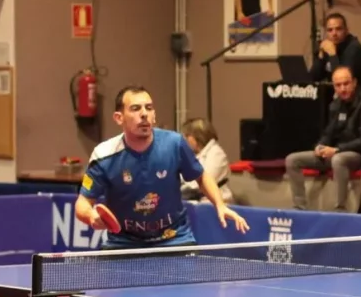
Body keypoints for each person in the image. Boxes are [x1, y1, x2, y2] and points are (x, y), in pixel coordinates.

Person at [76, 85, 249, 248]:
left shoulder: (174, 144)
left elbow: (201, 176)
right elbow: (83, 203)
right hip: (124, 242)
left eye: (149, 108)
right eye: (135, 109)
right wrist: (91, 216)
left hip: (173, 237)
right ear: (119, 118)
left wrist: (220, 204)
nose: (144, 114)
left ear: (154, 115)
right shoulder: (104, 155)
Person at [285, 66, 361, 211]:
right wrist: (320, 146)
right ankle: (299, 207)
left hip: (360, 154)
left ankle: (340, 209)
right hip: (336, 151)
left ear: (354, 82)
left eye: (346, 84)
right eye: (338, 85)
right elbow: (328, 133)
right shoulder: (336, 105)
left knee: (338, 160)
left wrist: (337, 150)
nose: (343, 89)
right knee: (292, 160)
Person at [180, 117, 233, 204]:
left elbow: (202, 183)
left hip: (214, 204)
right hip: (195, 201)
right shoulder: (194, 154)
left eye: (187, 136)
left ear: (198, 136)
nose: (184, 140)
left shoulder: (217, 154)